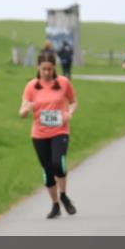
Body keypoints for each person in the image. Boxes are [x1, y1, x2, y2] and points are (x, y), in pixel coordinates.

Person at [19, 50, 78, 219]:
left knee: (57, 163)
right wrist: (26, 110)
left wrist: (69, 112)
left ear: (54, 68)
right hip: (39, 134)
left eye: (49, 69)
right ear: (38, 68)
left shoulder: (64, 82)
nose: (46, 72)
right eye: (43, 69)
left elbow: (73, 102)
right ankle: (55, 205)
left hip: (60, 131)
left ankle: (64, 195)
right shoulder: (31, 86)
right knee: (47, 170)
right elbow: (22, 111)